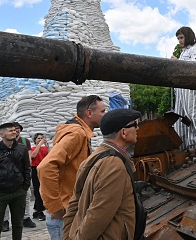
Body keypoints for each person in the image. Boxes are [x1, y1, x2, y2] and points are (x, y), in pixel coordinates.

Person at [63, 109, 142, 240]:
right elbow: (97, 216)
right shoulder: (114, 165)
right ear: (123, 132)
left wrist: (67, 237)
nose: (138, 129)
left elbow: (73, 204)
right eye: (135, 125)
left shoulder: (94, 157)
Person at [37, 95, 106, 240]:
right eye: (102, 111)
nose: (105, 115)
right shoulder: (76, 133)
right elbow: (45, 167)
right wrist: (55, 207)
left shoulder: (81, 133)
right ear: (89, 113)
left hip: (70, 209)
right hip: (64, 214)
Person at [0, 123, 31, 240]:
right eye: (10, 131)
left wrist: (25, 187)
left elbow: (27, 168)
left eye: (15, 130)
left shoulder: (22, 149)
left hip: (18, 192)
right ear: (2, 134)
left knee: (18, 225)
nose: (14, 132)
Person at [170, 27, 196, 150]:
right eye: (178, 38)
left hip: (190, 87)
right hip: (181, 88)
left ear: (188, 36)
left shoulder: (195, 50)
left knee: (191, 114)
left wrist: (177, 63)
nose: (179, 41)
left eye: (181, 37)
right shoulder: (183, 52)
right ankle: (186, 145)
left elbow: (195, 68)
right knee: (181, 118)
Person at [8, 122, 35, 230]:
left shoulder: (25, 141)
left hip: (23, 172)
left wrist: (27, 171)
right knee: (7, 198)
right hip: (9, 174)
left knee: (26, 196)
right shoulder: (5, 141)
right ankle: (5, 221)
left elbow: (28, 157)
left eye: (17, 128)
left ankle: (26, 218)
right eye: (13, 128)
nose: (16, 130)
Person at [29, 133, 49, 221]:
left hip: (44, 169)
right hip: (35, 169)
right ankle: (40, 210)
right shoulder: (33, 148)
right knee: (37, 190)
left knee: (43, 189)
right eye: (38, 138)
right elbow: (33, 155)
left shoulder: (44, 148)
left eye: (41, 138)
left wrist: (47, 147)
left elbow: (50, 156)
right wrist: (39, 145)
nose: (40, 139)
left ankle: (36, 210)